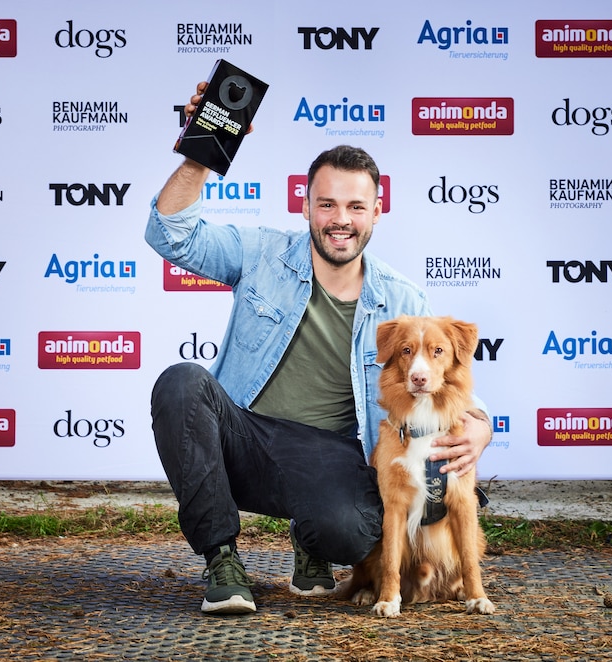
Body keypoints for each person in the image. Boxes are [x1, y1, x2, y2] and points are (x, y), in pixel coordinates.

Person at [146, 82, 493, 615]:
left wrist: (481, 424)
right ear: (305, 204)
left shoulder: (402, 297)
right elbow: (171, 234)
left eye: (356, 206)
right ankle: (221, 557)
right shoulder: (261, 252)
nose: (340, 219)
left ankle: (312, 540)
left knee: (355, 533)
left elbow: (442, 376)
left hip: (331, 455)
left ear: (376, 212)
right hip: (247, 433)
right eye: (327, 203)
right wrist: (202, 148)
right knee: (181, 383)